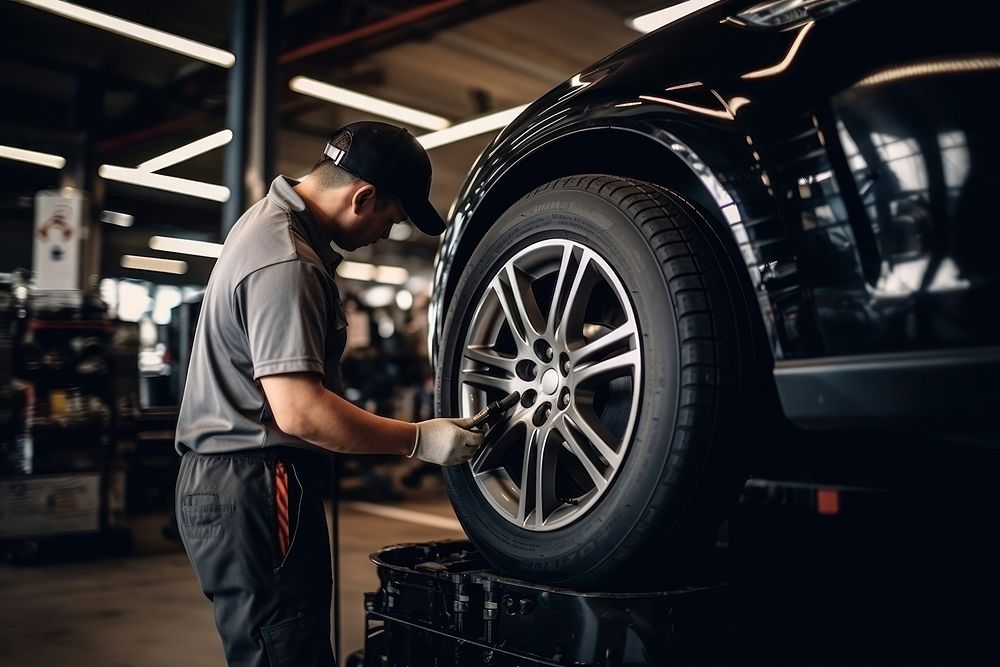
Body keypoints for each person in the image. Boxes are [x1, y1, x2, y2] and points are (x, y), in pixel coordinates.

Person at [173, 121, 483, 667]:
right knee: (285, 651)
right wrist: (417, 441)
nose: (389, 232)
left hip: (232, 480)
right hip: (256, 481)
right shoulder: (286, 261)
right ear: (364, 196)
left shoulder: (266, 224)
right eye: (392, 216)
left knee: (269, 644)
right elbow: (300, 412)